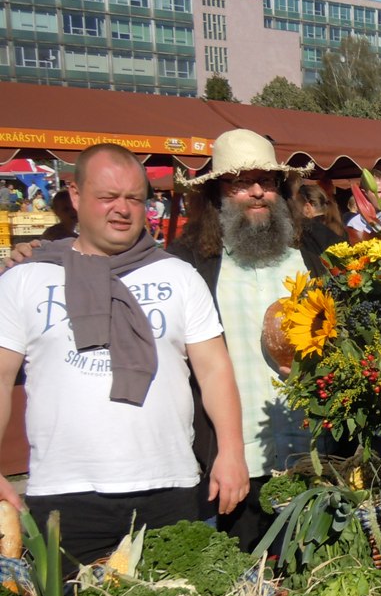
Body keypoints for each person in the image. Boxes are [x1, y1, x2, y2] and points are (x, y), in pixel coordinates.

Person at [0, 143, 248, 568]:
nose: (122, 209)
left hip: (169, 488)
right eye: (107, 197)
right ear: (75, 196)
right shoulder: (26, 279)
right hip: (65, 494)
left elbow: (214, 370)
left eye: (134, 198)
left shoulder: (178, 275)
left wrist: (231, 452)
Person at [168, 128, 325, 550]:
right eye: (241, 182)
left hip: (314, 457)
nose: (257, 192)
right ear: (218, 192)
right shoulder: (190, 263)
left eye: (267, 182)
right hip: (235, 465)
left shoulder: (317, 252)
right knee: (247, 583)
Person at [293, 182, 343, 258]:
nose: (296, 210)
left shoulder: (307, 231)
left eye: (297, 206)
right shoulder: (338, 224)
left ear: (307, 207)